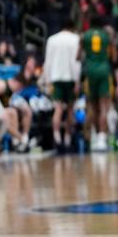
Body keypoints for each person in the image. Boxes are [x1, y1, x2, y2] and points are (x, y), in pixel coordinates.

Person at [80, 17, 118, 151]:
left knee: (92, 107)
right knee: (104, 107)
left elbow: (78, 56)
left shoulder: (84, 35)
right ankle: (102, 138)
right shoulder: (106, 35)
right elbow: (114, 58)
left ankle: (95, 138)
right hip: (103, 70)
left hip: (90, 72)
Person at [42, 20, 81, 152]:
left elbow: (47, 61)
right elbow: (76, 62)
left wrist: (47, 80)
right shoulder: (75, 39)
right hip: (70, 77)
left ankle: (57, 138)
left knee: (57, 109)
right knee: (70, 110)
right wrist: (77, 80)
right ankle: (68, 139)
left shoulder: (52, 40)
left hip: (55, 77)